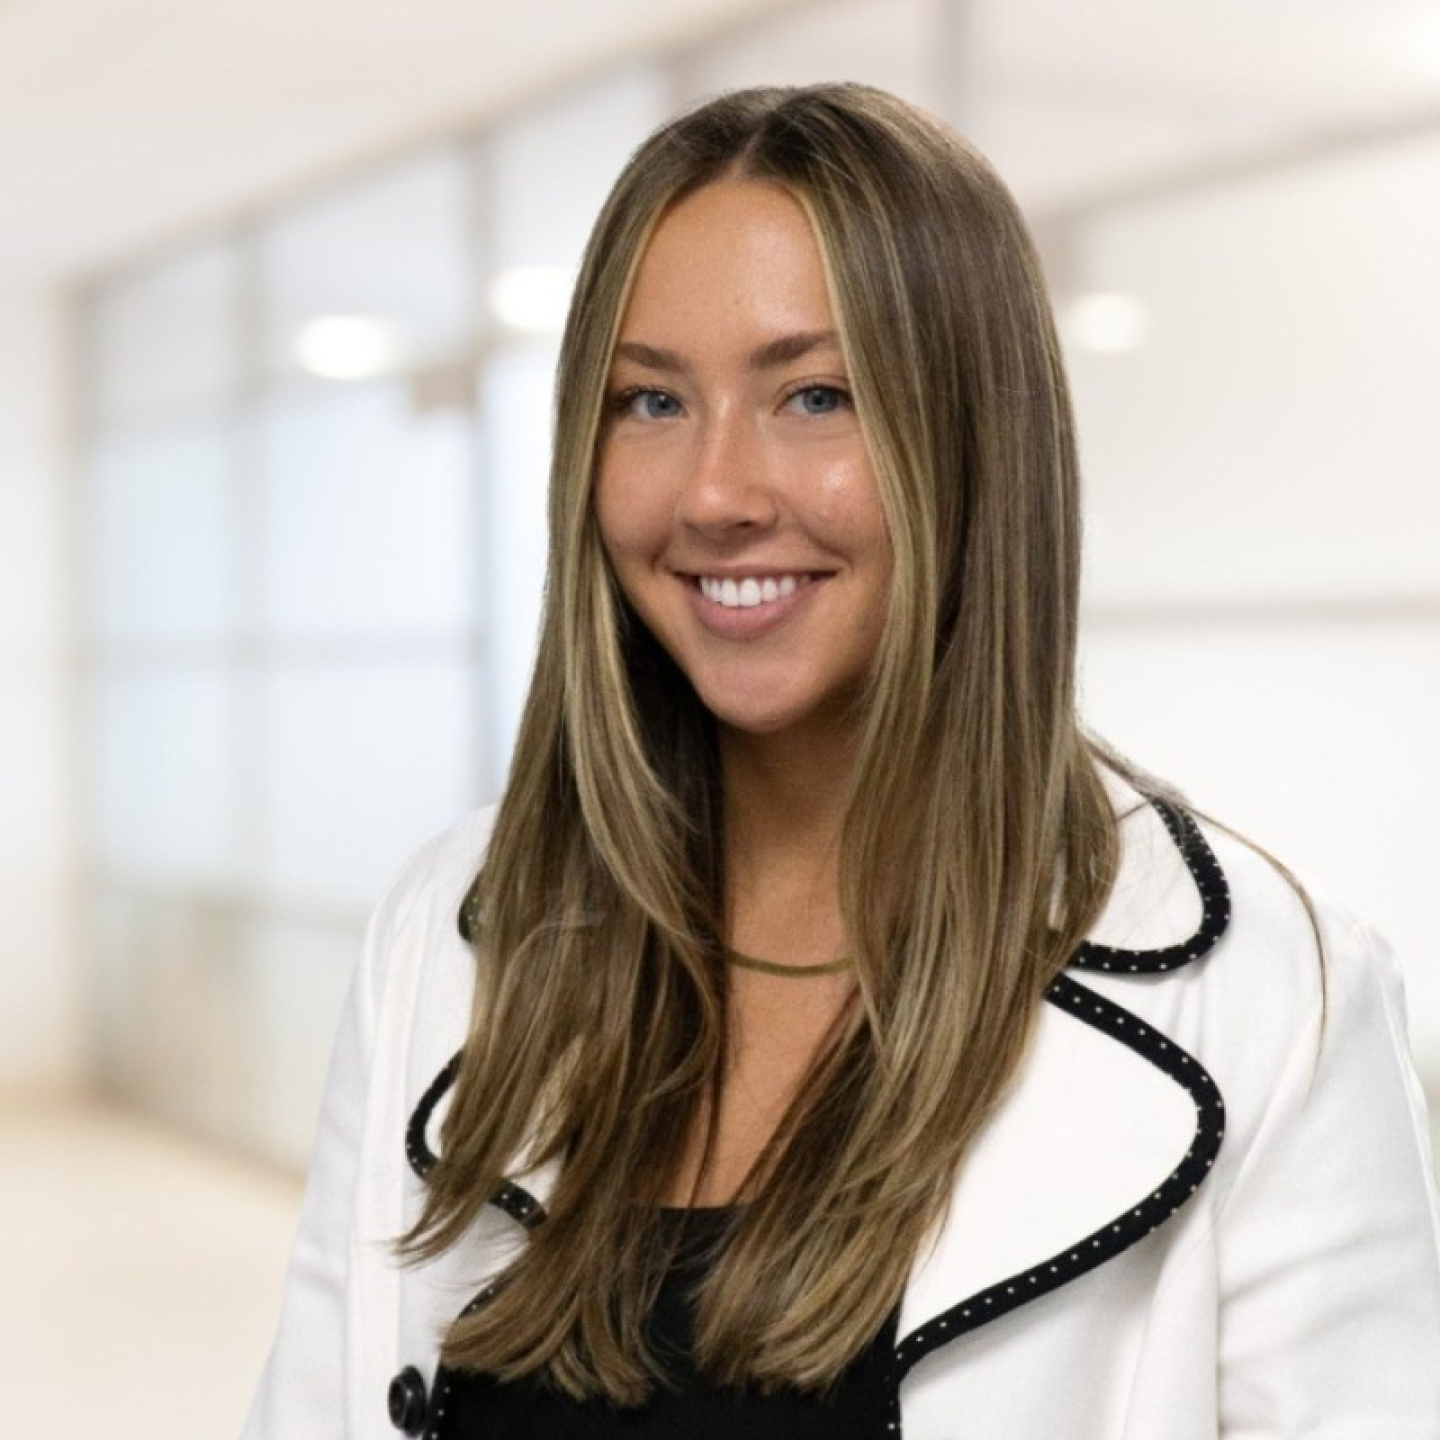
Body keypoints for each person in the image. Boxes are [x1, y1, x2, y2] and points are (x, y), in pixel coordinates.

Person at [242, 84, 1440, 1439]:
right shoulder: (450, 930)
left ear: (973, 440)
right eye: (649, 401)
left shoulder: (1276, 1001)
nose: (714, 492)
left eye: (815, 394)